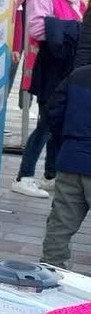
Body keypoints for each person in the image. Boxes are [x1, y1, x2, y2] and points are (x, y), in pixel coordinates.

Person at [10, 0, 91, 198]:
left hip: (69, 69)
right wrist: (75, 29)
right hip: (51, 69)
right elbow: (37, 28)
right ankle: (24, 176)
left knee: (61, 124)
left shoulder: (77, 2)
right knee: (45, 124)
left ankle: (50, 175)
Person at [40, 59, 91, 268]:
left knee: (60, 223)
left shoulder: (77, 75)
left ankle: (51, 269)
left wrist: (68, 141)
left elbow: (53, 112)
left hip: (71, 159)